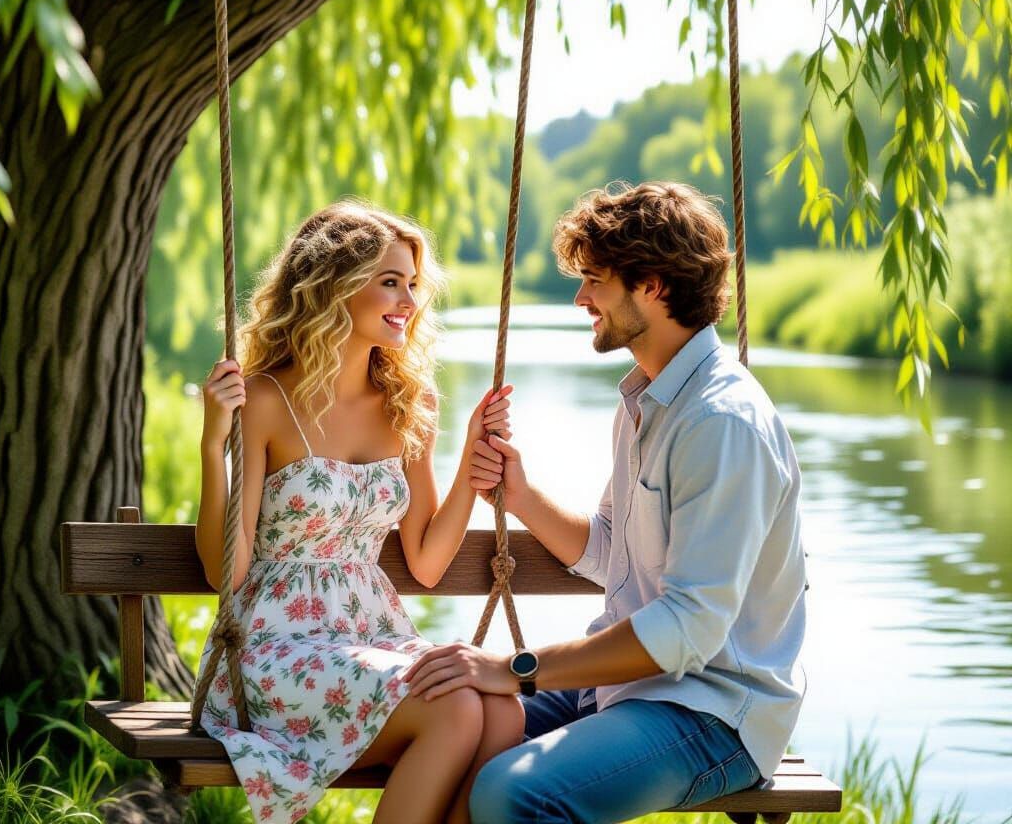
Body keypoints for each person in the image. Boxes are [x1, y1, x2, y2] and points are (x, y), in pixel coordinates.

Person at [404, 181, 807, 824]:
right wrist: (520, 496)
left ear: (651, 285)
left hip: (714, 712)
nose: (580, 298)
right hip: (629, 688)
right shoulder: (647, 401)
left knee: (513, 791)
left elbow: (687, 630)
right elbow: (611, 555)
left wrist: (516, 667)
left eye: (594, 280)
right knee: (463, 720)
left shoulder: (721, 423)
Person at [194, 201, 524, 824]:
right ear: (334, 287)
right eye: (390, 282)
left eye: (413, 285)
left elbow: (426, 562)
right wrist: (214, 447)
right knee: (456, 707)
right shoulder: (264, 399)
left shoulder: (408, 402)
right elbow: (226, 574)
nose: (409, 301)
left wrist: (471, 458)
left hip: (373, 636)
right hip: (274, 649)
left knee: (502, 708)